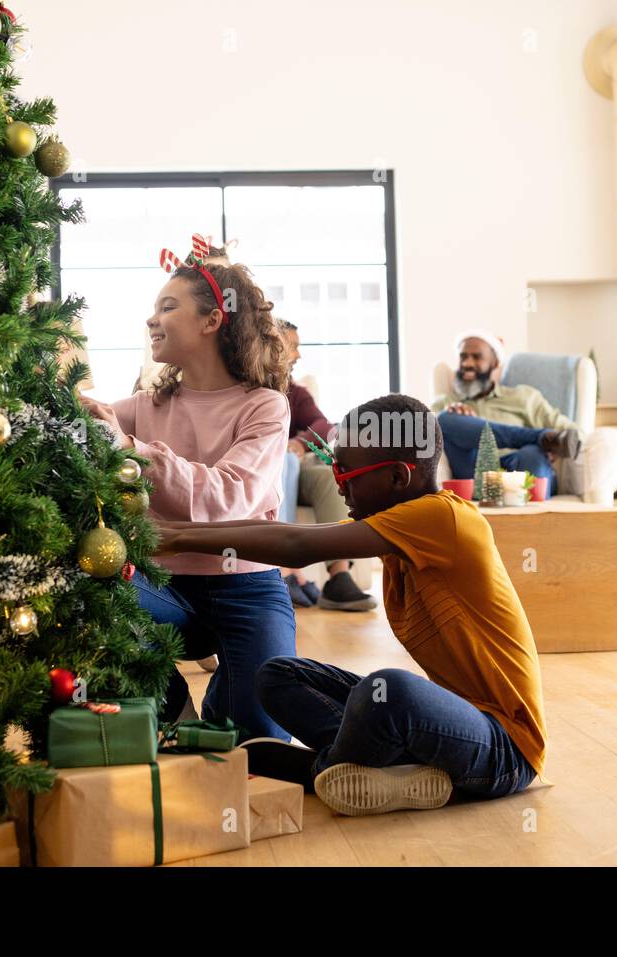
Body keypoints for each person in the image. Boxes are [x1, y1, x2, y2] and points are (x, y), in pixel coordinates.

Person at [152, 393, 545, 817]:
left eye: (347, 472)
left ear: (398, 477)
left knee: (392, 691)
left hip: (503, 751)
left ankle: (324, 769)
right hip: (446, 729)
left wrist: (176, 537)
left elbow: (297, 546)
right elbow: (289, 531)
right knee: (278, 674)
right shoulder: (397, 524)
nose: (338, 483)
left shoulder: (441, 519)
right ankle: (382, 770)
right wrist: (176, 529)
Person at [79, 239, 295, 740]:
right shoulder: (143, 405)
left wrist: (129, 448)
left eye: (167, 307)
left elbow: (228, 499)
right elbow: (93, 433)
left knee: (262, 744)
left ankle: (228, 690)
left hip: (246, 587)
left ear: (213, 320)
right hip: (161, 584)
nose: (152, 320)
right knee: (96, 579)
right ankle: (174, 709)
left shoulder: (264, 406)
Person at [277, 320, 376, 612]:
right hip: (263, 469)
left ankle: (339, 575)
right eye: (292, 346)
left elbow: (322, 424)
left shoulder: (295, 392)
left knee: (328, 475)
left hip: (296, 464)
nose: (297, 355)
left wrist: (298, 443)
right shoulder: (246, 387)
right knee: (283, 463)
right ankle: (283, 570)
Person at [431, 330, 583, 496]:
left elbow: (573, 433)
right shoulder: (445, 403)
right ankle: (539, 436)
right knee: (444, 420)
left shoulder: (523, 397)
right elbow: (426, 440)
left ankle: (535, 443)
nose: (467, 363)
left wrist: (555, 446)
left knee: (532, 452)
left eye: (476, 357)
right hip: (475, 474)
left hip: (520, 469)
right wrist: (459, 423)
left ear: (495, 363)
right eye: (463, 356)